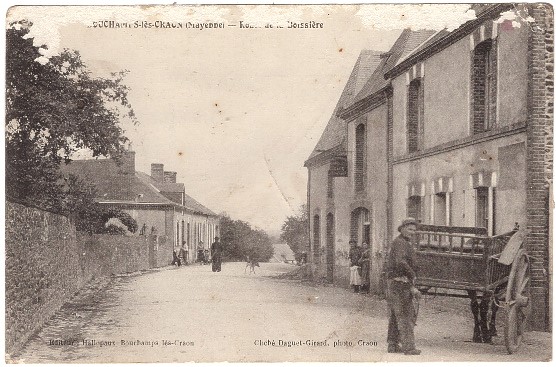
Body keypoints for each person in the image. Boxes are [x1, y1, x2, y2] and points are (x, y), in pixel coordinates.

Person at [386, 218, 421, 355]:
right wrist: (412, 274)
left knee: (396, 314)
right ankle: (409, 347)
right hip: (399, 283)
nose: (412, 232)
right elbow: (400, 262)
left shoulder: (403, 242)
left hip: (396, 282)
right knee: (406, 314)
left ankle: (393, 345)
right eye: (410, 229)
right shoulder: (401, 243)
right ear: (402, 229)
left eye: (414, 230)